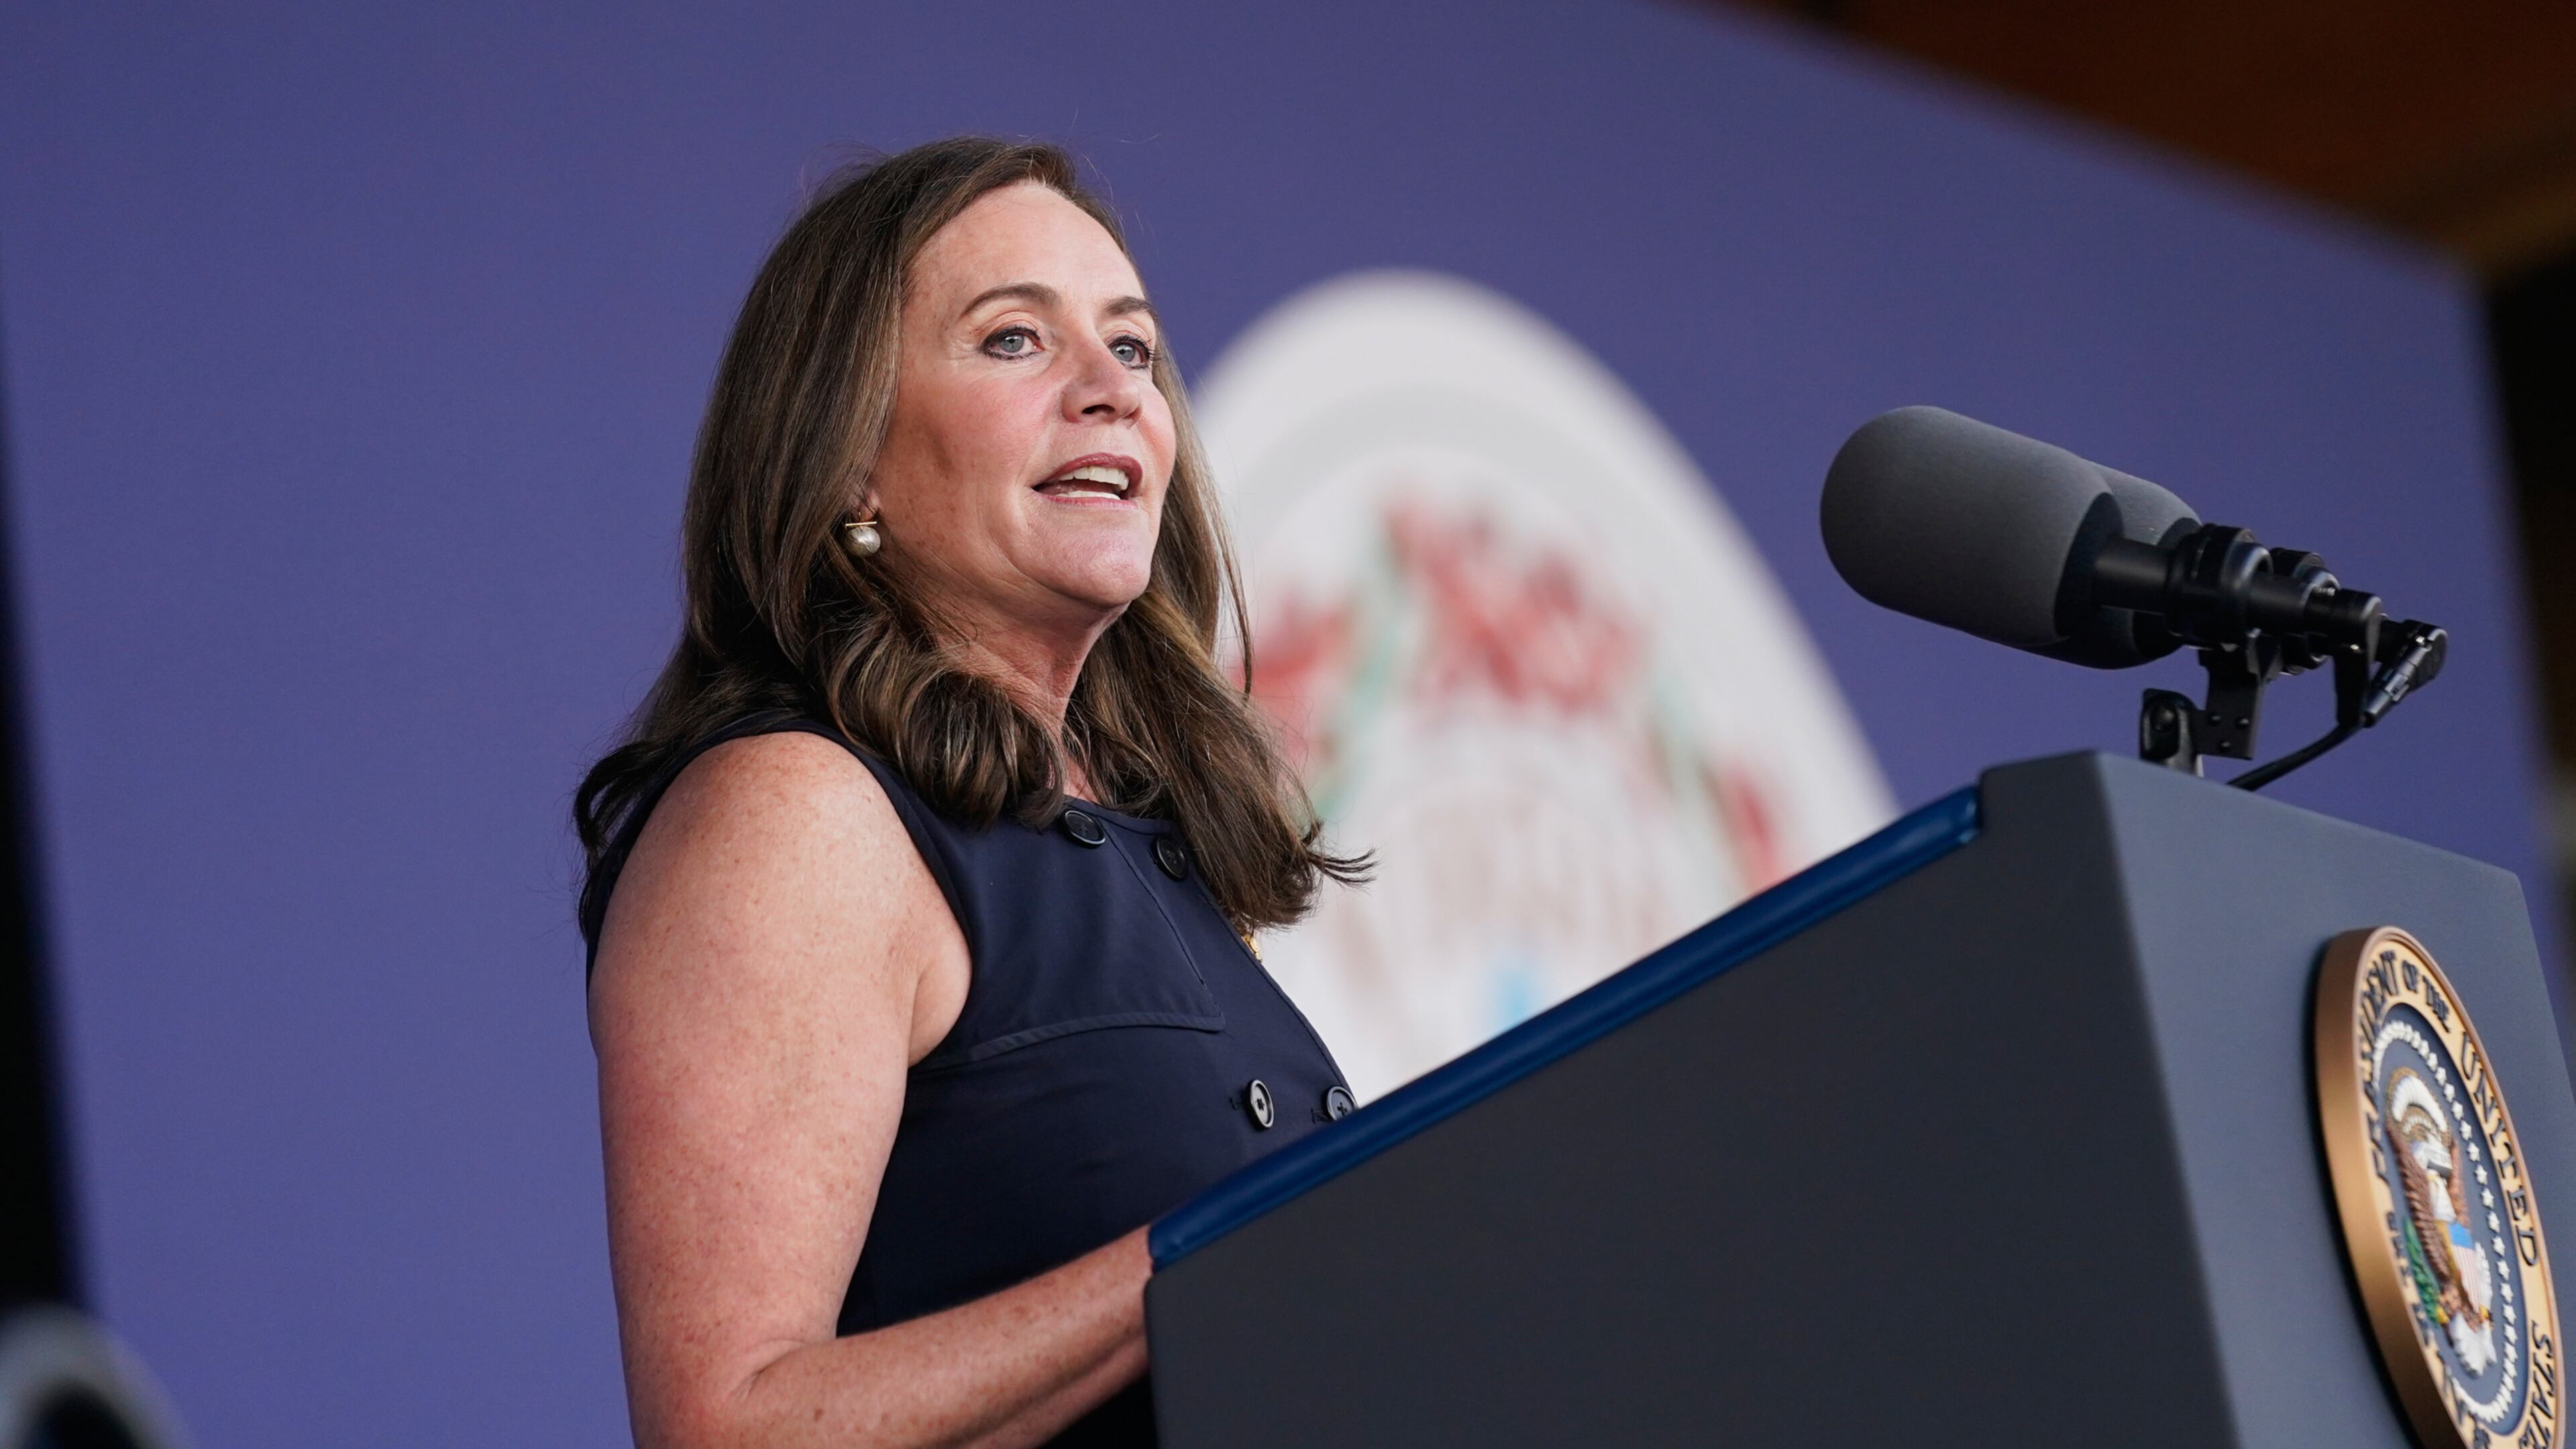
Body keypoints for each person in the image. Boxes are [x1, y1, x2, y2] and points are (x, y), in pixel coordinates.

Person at [575, 137, 1364, 1448]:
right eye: (1013, 341)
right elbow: (732, 1427)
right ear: (849, 463)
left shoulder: (1146, 852)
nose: (1111, 391)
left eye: (1133, 349)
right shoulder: (800, 812)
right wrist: (1214, 1253)